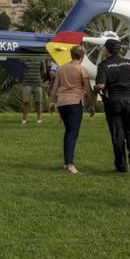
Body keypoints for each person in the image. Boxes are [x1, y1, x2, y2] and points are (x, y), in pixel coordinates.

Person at [95, 39, 130, 176]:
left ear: (107, 50)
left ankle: (121, 164)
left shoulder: (104, 65)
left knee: (117, 133)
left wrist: (94, 91)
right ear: (119, 49)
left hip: (114, 102)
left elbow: (100, 86)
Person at [48, 46, 96, 174]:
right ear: (82, 56)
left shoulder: (61, 68)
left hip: (62, 103)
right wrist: (91, 104)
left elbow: (54, 87)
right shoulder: (82, 69)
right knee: (72, 133)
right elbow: (87, 89)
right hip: (75, 103)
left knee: (68, 132)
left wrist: (52, 102)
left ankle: (66, 162)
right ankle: (69, 164)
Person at [22, 59, 46, 124]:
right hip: (27, 83)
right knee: (26, 102)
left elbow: (44, 71)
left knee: (39, 102)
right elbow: (20, 70)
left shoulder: (41, 59)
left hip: (37, 83)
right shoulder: (23, 58)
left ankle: (39, 119)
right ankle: (24, 119)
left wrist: (38, 76)